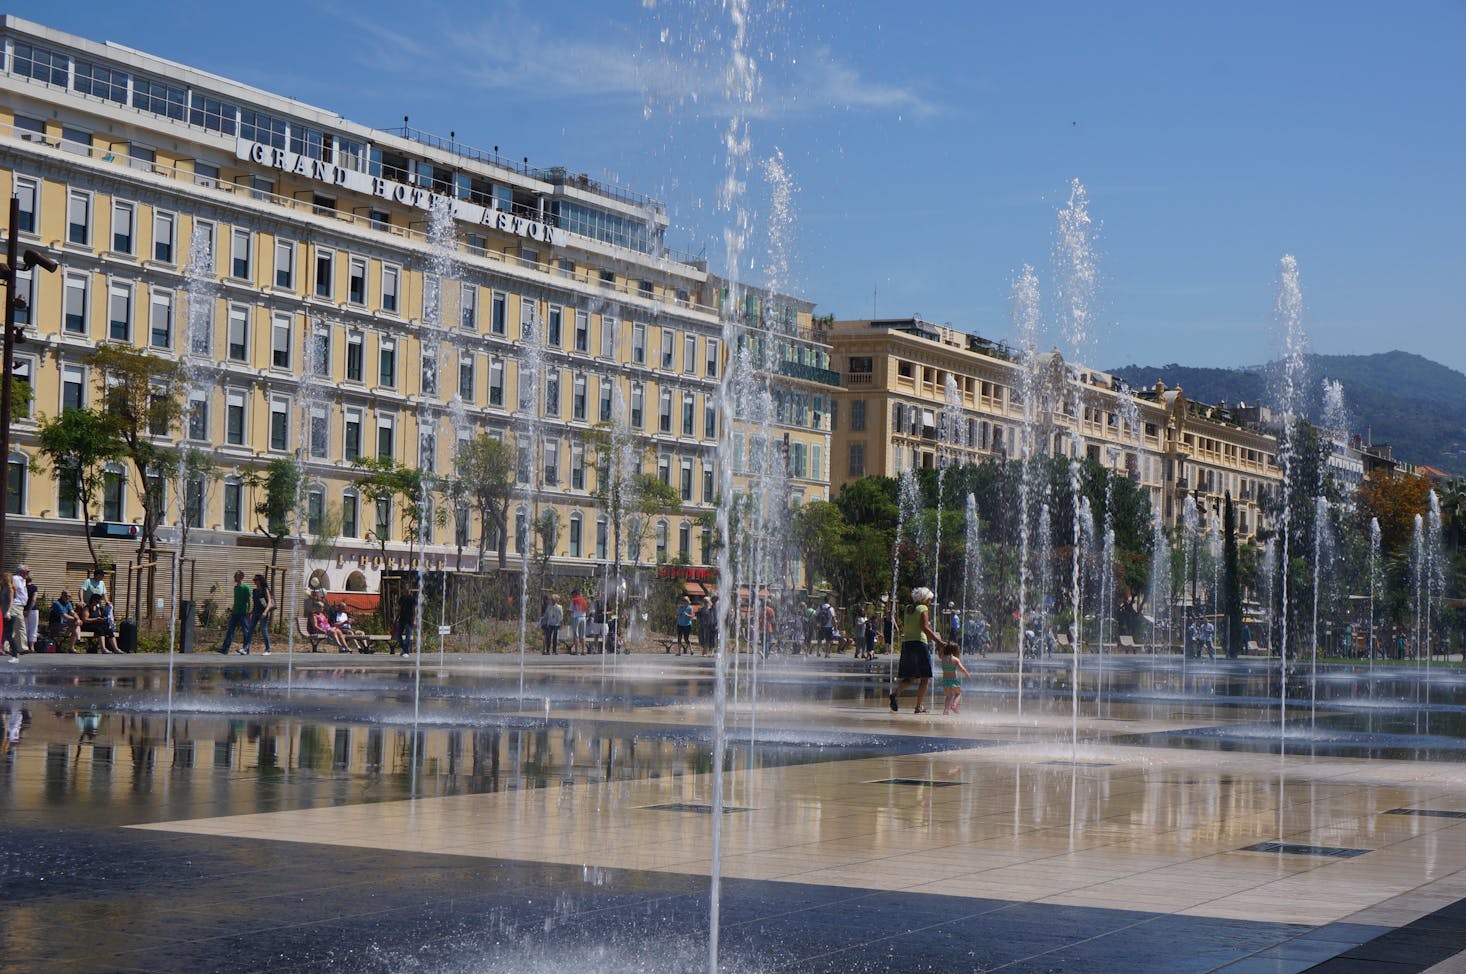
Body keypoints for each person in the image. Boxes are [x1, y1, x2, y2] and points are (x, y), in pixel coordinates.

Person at [890, 587, 944, 714]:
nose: (930, 603)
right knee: (925, 678)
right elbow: (924, 628)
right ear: (924, 599)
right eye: (929, 600)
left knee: (911, 677)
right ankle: (919, 706)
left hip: (907, 644)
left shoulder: (908, 609)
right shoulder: (923, 609)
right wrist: (940, 642)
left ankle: (896, 693)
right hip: (919, 644)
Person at [241, 574, 274, 656]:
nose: (255, 582)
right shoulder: (255, 591)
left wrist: (265, 612)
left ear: (260, 581)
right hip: (255, 613)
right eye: (254, 580)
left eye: (256, 580)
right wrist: (250, 612)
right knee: (250, 630)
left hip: (263, 613)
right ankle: (245, 649)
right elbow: (255, 603)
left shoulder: (264, 590)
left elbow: (269, 602)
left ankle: (268, 649)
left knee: (263, 630)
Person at [219, 570, 251, 655]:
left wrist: (249, 611)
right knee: (230, 630)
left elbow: (249, 600)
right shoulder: (236, 588)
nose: (234, 578)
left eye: (235, 576)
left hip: (243, 612)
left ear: (240, 577)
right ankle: (225, 649)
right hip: (235, 612)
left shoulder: (246, 587)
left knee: (246, 631)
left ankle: (246, 649)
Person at [939, 642, 971, 715]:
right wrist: (967, 674)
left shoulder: (942, 657)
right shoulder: (955, 659)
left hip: (945, 681)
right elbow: (962, 669)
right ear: (955, 651)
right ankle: (954, 705)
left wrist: (943, 647)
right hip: (953, 680)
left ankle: (946, 710)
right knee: (958, 694)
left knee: (948, 696)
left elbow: (940, 653)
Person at [8, 564, 29, 658]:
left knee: (13, 628)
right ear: (21, 571)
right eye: (27, 571)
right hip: (15, 605)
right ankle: (22, 648)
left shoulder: (23, 580)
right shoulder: (15, 579)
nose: (28, 573)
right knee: (20, 626)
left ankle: (7, 647)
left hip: (20, 607)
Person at [396, 587, 418, 657]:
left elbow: (415, 610)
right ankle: (405, 650)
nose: (406, 591)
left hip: (409, 620)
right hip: (402, 619)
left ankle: (405, 652)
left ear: (409, 590)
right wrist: (396, 618)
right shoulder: (401, 598)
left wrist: (414, 619)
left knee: (408, 636)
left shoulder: (412, 599)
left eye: (408, 589)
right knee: (398, 635)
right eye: (405, 589)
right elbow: (399, 609)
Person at [21, 567, 39, 651]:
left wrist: (26, 610)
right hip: (33, 609)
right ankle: (32, 646)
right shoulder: (34, 588)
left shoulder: (22, 587)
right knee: (33, 627)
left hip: (23, 608)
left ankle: (25, 646)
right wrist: (29, 609)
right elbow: (34, 599)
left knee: (24, 628)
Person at [569, 588, 590, 654]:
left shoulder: (574, 600)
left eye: (573, 594)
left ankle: (576, 650)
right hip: (583, 617)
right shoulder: (583, 600)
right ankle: (583, 650)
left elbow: (571, 610)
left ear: (575, 593)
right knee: (583, 635)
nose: (572, 595)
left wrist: (571, 614)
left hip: (576, 617)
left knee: (576, 635)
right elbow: (586, 609)